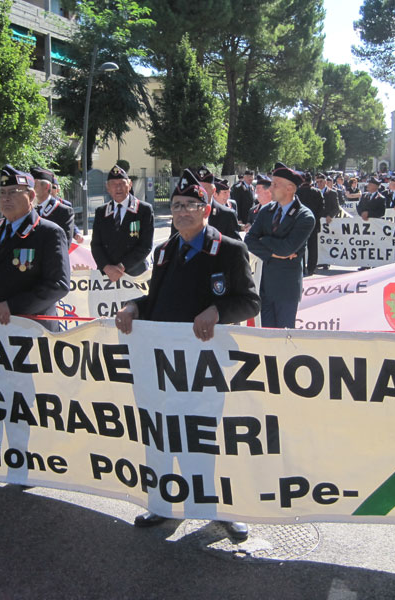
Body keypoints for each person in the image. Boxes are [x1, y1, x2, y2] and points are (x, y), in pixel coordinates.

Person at [114, 168, 260, 542]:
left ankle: (216, 511)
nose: (181, 212)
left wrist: (217, 311)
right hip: (160, 365)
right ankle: (162, 504)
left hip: (203, 368)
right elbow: (156, 301)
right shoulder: (165, 252)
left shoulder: (229, 249)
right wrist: (133, 306)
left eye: (190, 206)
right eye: (177, 206)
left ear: (206, 209)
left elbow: (248, 300)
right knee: (161, 435)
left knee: (201, 439)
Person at [0, 165, 70, 325]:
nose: (5, 198)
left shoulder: (49, 233)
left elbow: (58, 285)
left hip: (29, 332)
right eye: (2, 193)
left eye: (13, 192)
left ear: (30, 195)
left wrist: (13, 306)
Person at [244, 162, 314, 328]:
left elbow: (287, 248)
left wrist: (264, 240)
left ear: (290, 188)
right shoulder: (266, 211)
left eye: (275, 184)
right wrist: (273, 252)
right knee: (268, 337)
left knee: (284, 338)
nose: (270, 188)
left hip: (286, 289)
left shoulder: (304, 216)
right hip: (266, 287)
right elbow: (249, 240)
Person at [91, 165, 154, 282]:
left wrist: (121, 267)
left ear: (129, 185)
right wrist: (107, 267)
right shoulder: (101, 212)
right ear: (108, 187)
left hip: (135, 274)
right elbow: (96, 245)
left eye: (121, 183)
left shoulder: (144, 210)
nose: (118, 187)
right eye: (113, 184)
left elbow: (145, 246)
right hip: (107, 276)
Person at [31, 166, 74, 243]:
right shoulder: (27, 209)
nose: (31, 189)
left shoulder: (63, 211)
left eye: (34, 185)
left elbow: (64, 244)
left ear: (46, 187)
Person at [196, 167, 240, 240]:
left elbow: (236, 246)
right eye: (198, 188)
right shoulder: (184, 212)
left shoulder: (227, 215)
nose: (201, 192)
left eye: (205, 189)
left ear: (213, 191)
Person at [296, 172, 323, 276]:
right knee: (313, 247)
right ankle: (312, 268)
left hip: (300, 223)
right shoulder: (317, 192)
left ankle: (302, 268)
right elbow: (321, 208)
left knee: (301, 246)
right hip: (314, 223)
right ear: (311, 181)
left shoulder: (297, 192)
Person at [50, 179, 83, 243]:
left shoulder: (65, 204)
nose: (51, 190)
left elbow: (70, 223)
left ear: (58, 190)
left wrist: (76, 233)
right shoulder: (38, 204)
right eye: (49, 187)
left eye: (53, 187)